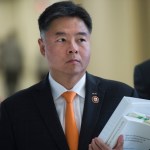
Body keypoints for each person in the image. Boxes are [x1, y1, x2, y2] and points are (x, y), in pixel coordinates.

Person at [0, 1, 137, 150]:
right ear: (42, 47)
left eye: (81, 40)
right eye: (62, 40)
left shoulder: (123, 98)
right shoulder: (14, 109)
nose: (73, 48)